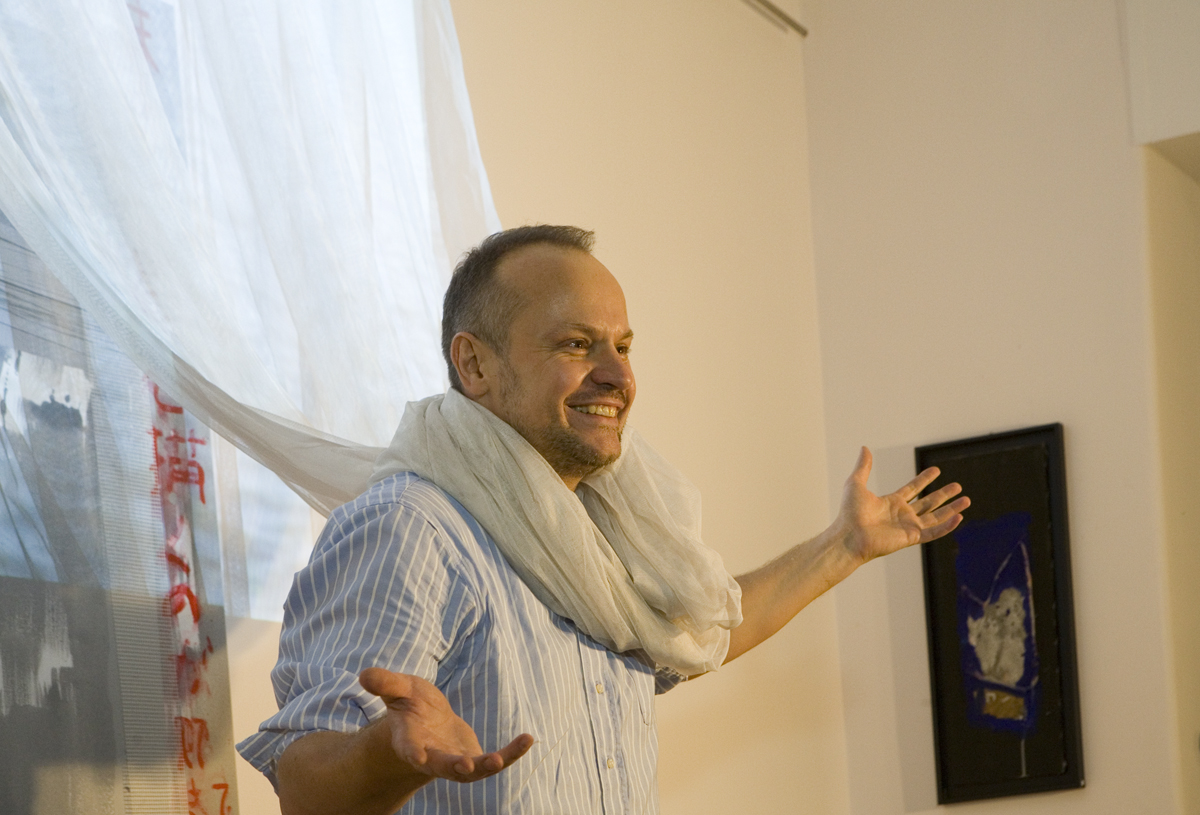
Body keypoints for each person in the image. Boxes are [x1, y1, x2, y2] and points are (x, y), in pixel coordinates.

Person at [236, 225, 969, 815]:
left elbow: (695, 636)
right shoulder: (410, 529)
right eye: (576, 344)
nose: (619, 375)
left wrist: (843, 546)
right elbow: (305, 789)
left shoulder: (594, 541)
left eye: (622, 346)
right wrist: (388, 751)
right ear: (475, 365)